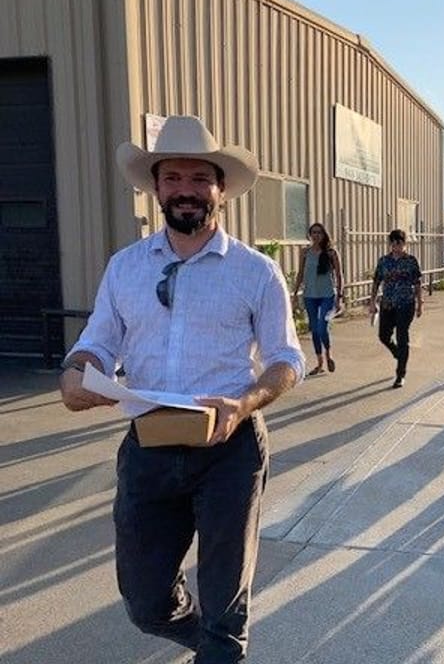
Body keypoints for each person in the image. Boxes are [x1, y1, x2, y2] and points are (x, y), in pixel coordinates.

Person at [58, 115, 305, 662]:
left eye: (199, 179)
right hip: (148, 446)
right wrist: (79, 371)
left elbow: (287, 360)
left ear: (221, 190)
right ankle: (211, 642)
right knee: (145, 604)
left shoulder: (256, 272)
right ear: (155, 188)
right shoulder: (125, 269)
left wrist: (245, 403)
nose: (185, 190)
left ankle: (220, 645)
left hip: (230, 450)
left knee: (225, 607)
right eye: (173, 178)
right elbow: (96, 344)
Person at [369, 229, 423, 388]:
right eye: (393, 242)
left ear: (404, 243)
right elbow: (377, 281)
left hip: (405, 304)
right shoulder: (384, 261)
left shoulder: (411, 261)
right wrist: (373, 302)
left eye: (399, 242)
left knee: (402, 336)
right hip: (387, 304)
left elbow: (417, 283)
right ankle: (397, 353)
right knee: (383, 335)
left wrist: (420, 303)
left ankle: (401, 374)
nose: (396, 246)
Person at [292, 221, 343, 375]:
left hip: (327, 295)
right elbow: (301, 273)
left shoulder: (331, 253)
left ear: (324, 235)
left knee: (322, 326)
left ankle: (328, 354)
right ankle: (320, 363)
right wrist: (295, 294)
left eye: (319, 232)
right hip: (310, 295)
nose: (316, 235)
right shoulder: (305, 252)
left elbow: (340, 275)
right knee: (314, 329)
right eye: (313, 232)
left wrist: (340, 296)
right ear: (310, 235)